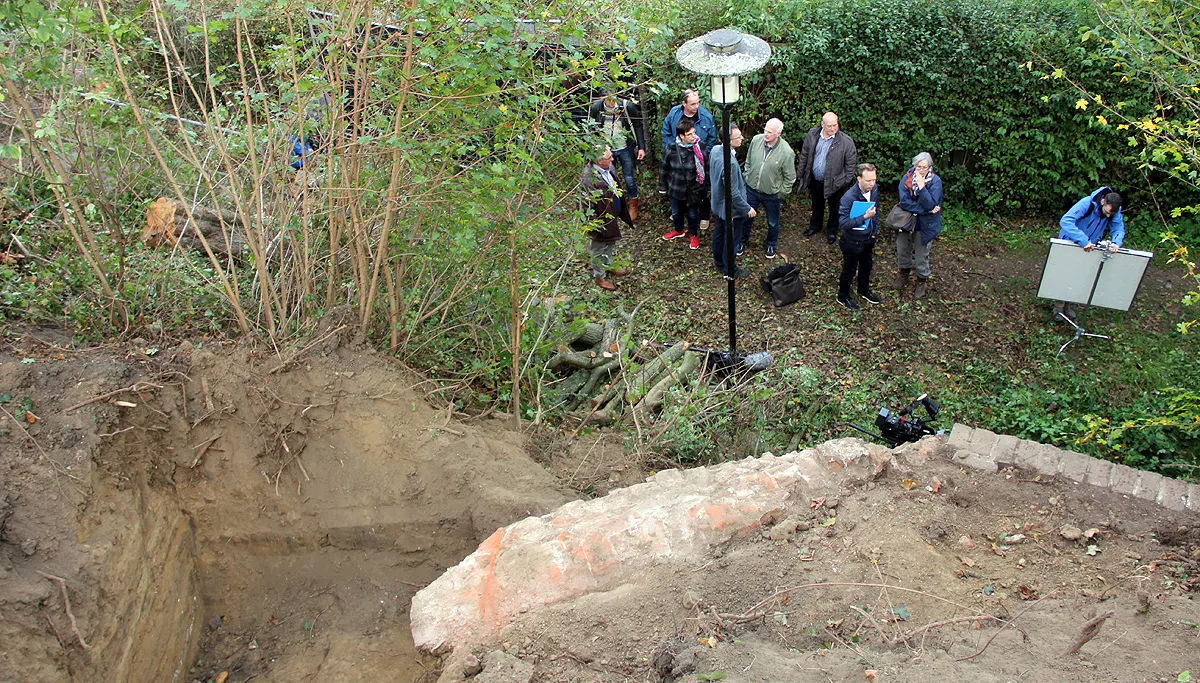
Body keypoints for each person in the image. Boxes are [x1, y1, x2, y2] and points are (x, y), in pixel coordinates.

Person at [1054, 187, 1125, 319]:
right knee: (1064, 275)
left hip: (1089, 246)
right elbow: (1066, 221)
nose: (1108, 216)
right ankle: (1058, 307)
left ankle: (1068, 304)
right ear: (1103, 201)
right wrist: (1082, 240)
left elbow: (1118, 228)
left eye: (1111, 214)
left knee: (1079, 276)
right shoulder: (1086, 203)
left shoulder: (1114, 210)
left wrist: (1116, 242)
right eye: (1107, 212)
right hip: (1071, 242)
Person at [796, 112, 858, 244]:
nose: (833, 128)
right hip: (815, 180)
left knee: (835, 208)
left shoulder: (846, 141)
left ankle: (832, 231)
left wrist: (845, 181)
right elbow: (805, 155)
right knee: (816, 204)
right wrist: (801, 174)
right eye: (829, 126)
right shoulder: (812, 135)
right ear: (822, 124)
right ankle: (815, 226)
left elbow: (850, 164)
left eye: (835, 125)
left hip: (836, 183)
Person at [588, 90, 647, 221]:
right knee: (609, 179)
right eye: (608, 98)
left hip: (625, 147)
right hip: (607, 149)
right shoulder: (597, 108)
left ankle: (633, 206)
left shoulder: (627, 106)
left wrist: (641, 147)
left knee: (629, 178)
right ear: (603, 98)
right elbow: (592, 128)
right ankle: (614, 205)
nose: (612, 101)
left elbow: (637, 126)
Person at [743, 118, 796, 259]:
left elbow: (790, 177)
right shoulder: (756, 140)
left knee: (773, 222)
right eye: (765, 129)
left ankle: (771, 244)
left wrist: (780, 193)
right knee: (745, 218)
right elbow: (748, 161)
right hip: (751, 190)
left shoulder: (786, 152)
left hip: (771, 195)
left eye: (770, 132)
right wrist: (747, 176)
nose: (766, 134)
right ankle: (742, 241)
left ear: (778, 133)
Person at [581, 147, 633, 291]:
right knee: (597, 248)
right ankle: (600, 276)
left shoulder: (609, 168)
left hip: (611, 215)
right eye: (609, 157)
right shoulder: (588, 179)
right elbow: (586, 206)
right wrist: (593, 227)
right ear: (599, 161)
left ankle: (608, 265)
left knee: (610, 242)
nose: (612, 159)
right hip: (600, 220)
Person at [709, 124, 756, 277]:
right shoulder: (730, 164)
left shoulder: (716, 150)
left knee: (719, 233)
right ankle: (729, 270)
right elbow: (733, 193)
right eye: (738, 137)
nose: (742, 138)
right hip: (731, 210)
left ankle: (719, 262)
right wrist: (747, 209)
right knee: (732, 240)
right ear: (729, 141)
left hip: (718, 204)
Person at [895, 152, 944, 299]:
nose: (921, 170)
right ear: (914, 166)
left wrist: (922, 188)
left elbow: (932, 203)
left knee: (922, 254)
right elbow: (904, 202)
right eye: (919, 166)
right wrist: (925, 209)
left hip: (925, 225)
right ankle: (903, 274)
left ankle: (921, 280)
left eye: (925, 167)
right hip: (906, 222)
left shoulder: (935, 182)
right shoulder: (906, 178)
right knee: (902, 248)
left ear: (929, 167)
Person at [836, 163, 882, 310]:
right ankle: (842, 296)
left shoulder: (874, 190)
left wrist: (874, 231)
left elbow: (877, 210)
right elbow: (843, 223)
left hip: (868, 238)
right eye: (868, 181)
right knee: (849, 270)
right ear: (859, 179)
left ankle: (863, 290)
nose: (872, 184)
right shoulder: (848, 197)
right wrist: (864, 216)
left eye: (874, 180)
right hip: (852, 241)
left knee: (867, 266)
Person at [658, 119, 709, 251]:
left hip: (693, 188)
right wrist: (662, 186)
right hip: (675, 187)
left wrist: (706, 186)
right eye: (690, 134)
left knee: (693, 214)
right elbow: (664, 167)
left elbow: (706, 167)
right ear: (681, 135)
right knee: (676, 212)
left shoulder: (700, 146)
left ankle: (693, 234)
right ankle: (678, 230)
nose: (694, 136)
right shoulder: (671, 147)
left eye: (694, 133)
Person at [660, 89, 719, 158]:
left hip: (698, 158)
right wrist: (671, 151)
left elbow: (712, 140)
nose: (696, 106)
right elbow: (666, 132)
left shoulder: (707, 117)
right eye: (693, 104)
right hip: (676, 157)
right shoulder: (674, 113)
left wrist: (703, 154)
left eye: (698, 103)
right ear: (684, 103)